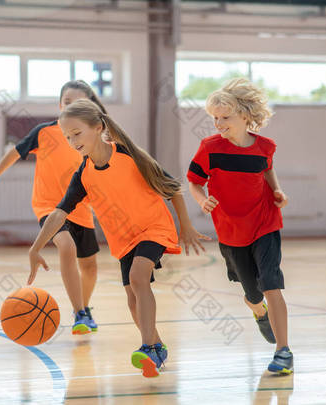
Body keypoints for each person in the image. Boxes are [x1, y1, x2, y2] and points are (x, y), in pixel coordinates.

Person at [28, 99, 210, 378]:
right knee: (132, 298)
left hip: (153, 227)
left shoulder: (128, 155)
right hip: (123, 240)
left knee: (139, 278)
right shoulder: (83, 175)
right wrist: (35, 247)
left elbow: (172, 187)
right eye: (67, 136)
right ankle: (158, 345)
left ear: (98, 127)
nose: (72, 141)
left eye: (77, 133)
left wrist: (185, 227)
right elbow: (58, 213)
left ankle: (148, 346)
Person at [186, 78, 293, 374]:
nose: (218, 123)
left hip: (265, 222)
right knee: (254, 292)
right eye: (215, 118)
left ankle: (283, 351)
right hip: (231, 230)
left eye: (225, 117)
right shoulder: (209, 148)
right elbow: (194, 181)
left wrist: (277, 191)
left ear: (245, 116)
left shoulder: (265, 146)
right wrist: (201, 200)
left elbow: (267, 169)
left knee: (271, 282)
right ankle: (259, 312)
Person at [0, 81, 104, 335]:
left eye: (78, 103)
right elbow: (14, 153)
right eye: (67, 102)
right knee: (66, 245)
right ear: (60, 105)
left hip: (81, 208)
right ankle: (80, 311)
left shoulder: (93, 137)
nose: (71, 106)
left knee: (90, 267)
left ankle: (84, 309)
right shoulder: (44, 132)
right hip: (49, 206)